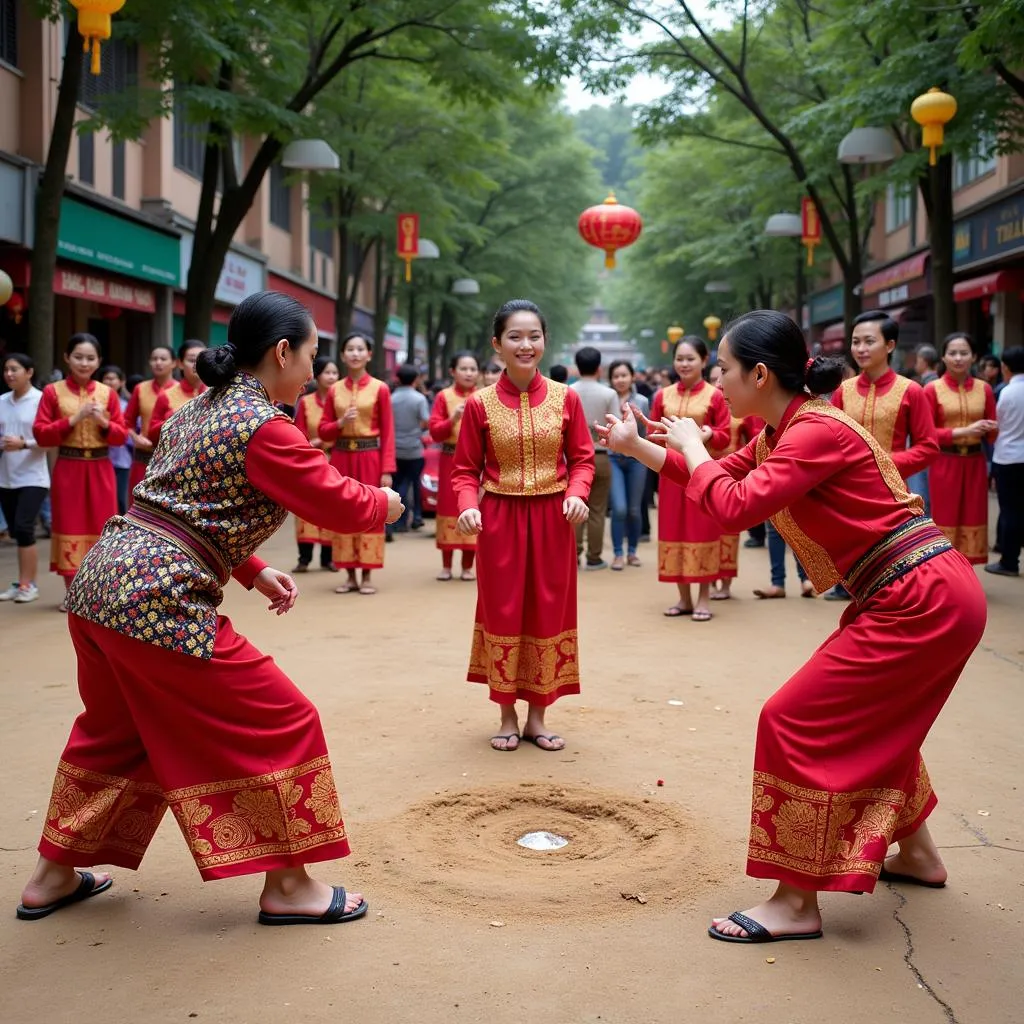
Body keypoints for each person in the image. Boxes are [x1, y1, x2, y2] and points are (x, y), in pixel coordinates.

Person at [598, 309, 986, 944]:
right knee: (879, 723)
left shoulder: (812, 432)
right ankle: (917, 855)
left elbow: (733, 508)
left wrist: (692, 445)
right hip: (915, 592)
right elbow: (724, 480)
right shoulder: (787, 427)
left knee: (792, 719)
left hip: (918, 597)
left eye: (723, 369)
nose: (716, 383)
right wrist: (641, 446)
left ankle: (796, 902)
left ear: (758, 373)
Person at [16, 290, 403, 926]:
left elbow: (176, 502)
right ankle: (288, 886)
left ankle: (53, 874)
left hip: (101, 586)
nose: (313, 369)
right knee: (284, 718)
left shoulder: (201, 409)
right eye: (310, 354)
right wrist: (383, 503)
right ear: (282, 351)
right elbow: (337, 503)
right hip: (155, 599)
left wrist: (251, 570)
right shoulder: (264, 424)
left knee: (116, 734)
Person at [452, 299, 593, 752]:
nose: (525, 344)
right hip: (501, 523)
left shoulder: (566, 397)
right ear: (497, 345)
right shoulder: (480, 405)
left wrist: (576, 494)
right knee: (505, 611)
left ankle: (538, 716)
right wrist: (467, 505)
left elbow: (583, 459)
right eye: (515, 336)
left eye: (534, 336)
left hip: (553, 521)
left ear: (544, 342)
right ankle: (507, 714)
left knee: (548, 611)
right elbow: (463, 470)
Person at [825, 310, 938, 599]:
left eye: (868, 341)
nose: (860, 349)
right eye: (855, 342)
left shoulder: (911, 391)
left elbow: (928, 446)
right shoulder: (842, 392)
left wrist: (887, 464)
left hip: (893, 490)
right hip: (848, 490)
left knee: (892, 554)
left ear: (889, 345)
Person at [32, 333, 126, 608]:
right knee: (69, 525)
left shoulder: (107, 393)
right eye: (78, 357)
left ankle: (97, 591)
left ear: (98, 361)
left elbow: (120, 437)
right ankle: (72, 592)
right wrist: (74, 418)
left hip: (101, 468)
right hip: (69, 468)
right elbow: (41, 434)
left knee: (102, 526)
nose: (84, 363)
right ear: (67, 358)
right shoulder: (52, 392)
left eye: (90, 358)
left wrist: (102, 421)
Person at [650, 336, 730, 621]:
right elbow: (653, 433)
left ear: (704, 360)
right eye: (680, 359)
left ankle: (704, 599)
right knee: (673, 531)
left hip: (702, 469)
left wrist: (708, 435)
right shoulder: (662, 396)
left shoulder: (716, 395)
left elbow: (725, 434)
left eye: (690, 359)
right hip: (671, 474)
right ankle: (683, 599)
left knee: (702, 530)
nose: (684, 364)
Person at [318, 332, 395, 595]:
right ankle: (349, 574)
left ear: (369, 355)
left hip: (370, 457)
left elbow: (388, 432)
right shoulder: (334, 390)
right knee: (344, 510)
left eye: (360, 349)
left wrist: (387, 470)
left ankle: (367, 573)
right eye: (350, 349)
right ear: (342, 355)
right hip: (341, 458)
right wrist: (340, 423)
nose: (355, 353)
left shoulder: (380, 388)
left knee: (371, 510)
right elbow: (324, 431)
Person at [923, 333, 998, 564]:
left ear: (974, 357)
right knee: (944, 517)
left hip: (976, 461)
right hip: (944, 462)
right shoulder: (932, 389)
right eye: (952, 353)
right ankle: (945, 572)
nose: (958, 358)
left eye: (964, 353)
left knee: (974, 517)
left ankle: (967, 575)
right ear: (943, 357)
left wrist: (991, 427)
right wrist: (963, 432)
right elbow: (925, 434)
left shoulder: (984, 389)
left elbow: (993, 434)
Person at [708, 363, 763, 600]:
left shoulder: (742, 409)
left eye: (721, 375)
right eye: (712, 379)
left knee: (728, 531)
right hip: (709, 467)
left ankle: (726, 584)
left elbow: (754, 439)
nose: (717, 384)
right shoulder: (707, 407)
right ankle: (707, 574)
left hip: (733, 472)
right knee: (707, 528)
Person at [0, 354, 49, 604]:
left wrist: (23, 444)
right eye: (6, 369)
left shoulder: (41, 400)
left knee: (24, 527)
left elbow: (49, 440)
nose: (9, 374)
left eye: (15, 369)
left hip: (33, 477)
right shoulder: (2, 401)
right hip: (6, 477)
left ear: (29, 372)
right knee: (17, 532)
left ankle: (29, 584)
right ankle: (21, 582)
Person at [429, 350, 479, 581]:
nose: (469, 373)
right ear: (453, 371)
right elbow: (435, 433)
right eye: (464, 369)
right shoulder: (443, 397)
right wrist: (453, 419)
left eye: (472, 369)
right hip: (449, 459)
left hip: (476, 462)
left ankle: (468, 566)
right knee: (448, 509)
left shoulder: (483, 397)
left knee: (471, 508)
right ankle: (447, 565)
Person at [571, 345, 619, 571]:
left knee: (575, 507)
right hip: (600, 455)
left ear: (577, 367)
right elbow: (616, 426)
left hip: (573, 459)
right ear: (599, 368)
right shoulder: (609, 394)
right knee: (598, 509)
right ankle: (594, 557)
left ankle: (574, 554)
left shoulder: (567, 392)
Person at [292, 355, 340, 573]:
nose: (331, 377)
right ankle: (305, 557)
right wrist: (315, 442)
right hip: (310, 458)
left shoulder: (342, 401)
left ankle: (328, 558)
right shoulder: (306, 402)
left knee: (331, 508)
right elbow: (298, 433)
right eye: (327, 373)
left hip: (335, 458)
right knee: (306, 508)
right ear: (317, 376)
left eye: (335, 373)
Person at [986, 346, 1024, 578]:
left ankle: (1009, 561)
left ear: (1005, 367)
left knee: (1010, 510)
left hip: (1007, 458)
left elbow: (994, 425)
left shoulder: (1004, 392)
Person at [607, 360, 649, 570]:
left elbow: (647, 431)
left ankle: (632, 551)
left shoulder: (641, 401)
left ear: (632, 377)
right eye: (616, 376)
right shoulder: (607, 399)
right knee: (619, 508)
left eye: (624, 375)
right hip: (612, 459)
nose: (620, 380)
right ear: (611, 379)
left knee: (634, 509)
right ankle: (617, 554)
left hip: (637, 460)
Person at [123, 345, 176, 493]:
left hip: (172, 460)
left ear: (174, 363)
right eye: (154, 359)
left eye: (163, 359)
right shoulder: (140, 389)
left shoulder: (180, 392)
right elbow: (127, 422)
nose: (158, 362)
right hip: (143, 458)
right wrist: (135, 437)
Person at [387, 363, 430, 541]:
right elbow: (426, 421)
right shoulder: (419, 399)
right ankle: (412, 518)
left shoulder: (391, 398)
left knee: (396, 484)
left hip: (395, 448)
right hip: (414, 449)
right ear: (415, 379)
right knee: (411, 484)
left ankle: (395, 520)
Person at [147, 339, 209, 446]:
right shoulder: (166, 396)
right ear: (180, 363)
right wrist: (171, 419)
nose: (197, 364)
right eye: (192, 360)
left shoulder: (214, 392)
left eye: (202, 359)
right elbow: (152, 435)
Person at [100, 365, 132, 515]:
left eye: (113, 378)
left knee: (120, 499)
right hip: (101, 458)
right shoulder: (96, 404)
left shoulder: (127, 405)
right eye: (106, 378)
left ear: (121, 382)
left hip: (122, 460)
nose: (110, 382)